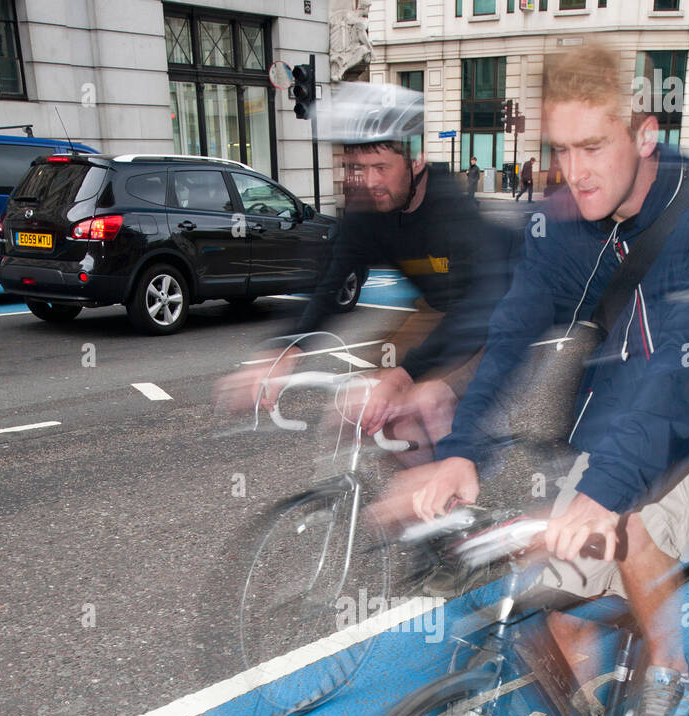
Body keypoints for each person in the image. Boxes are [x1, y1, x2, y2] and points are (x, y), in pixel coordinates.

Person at [379, 46, 689, 716]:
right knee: (554, 602)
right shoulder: (566, 221)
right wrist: (460, 452)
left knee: (625, 527)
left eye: (594, 145)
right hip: (616, 422)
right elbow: (511, 333)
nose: (576, 171)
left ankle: (670, 667)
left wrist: (602, 491)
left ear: (643, 132)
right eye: (561, 149)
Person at [216, 87, 513, 456]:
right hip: (438, 310)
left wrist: (405, 378)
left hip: (496, 310)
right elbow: (330, 283)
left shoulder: (451, 212)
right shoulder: (366, 210)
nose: (369, 182)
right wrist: (283, 351)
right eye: (357, 168)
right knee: (373, 410)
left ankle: (462, 488)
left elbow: (476, 310)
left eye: (381, 168)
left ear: (415, 161)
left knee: (424, 401)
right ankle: (429, 505)